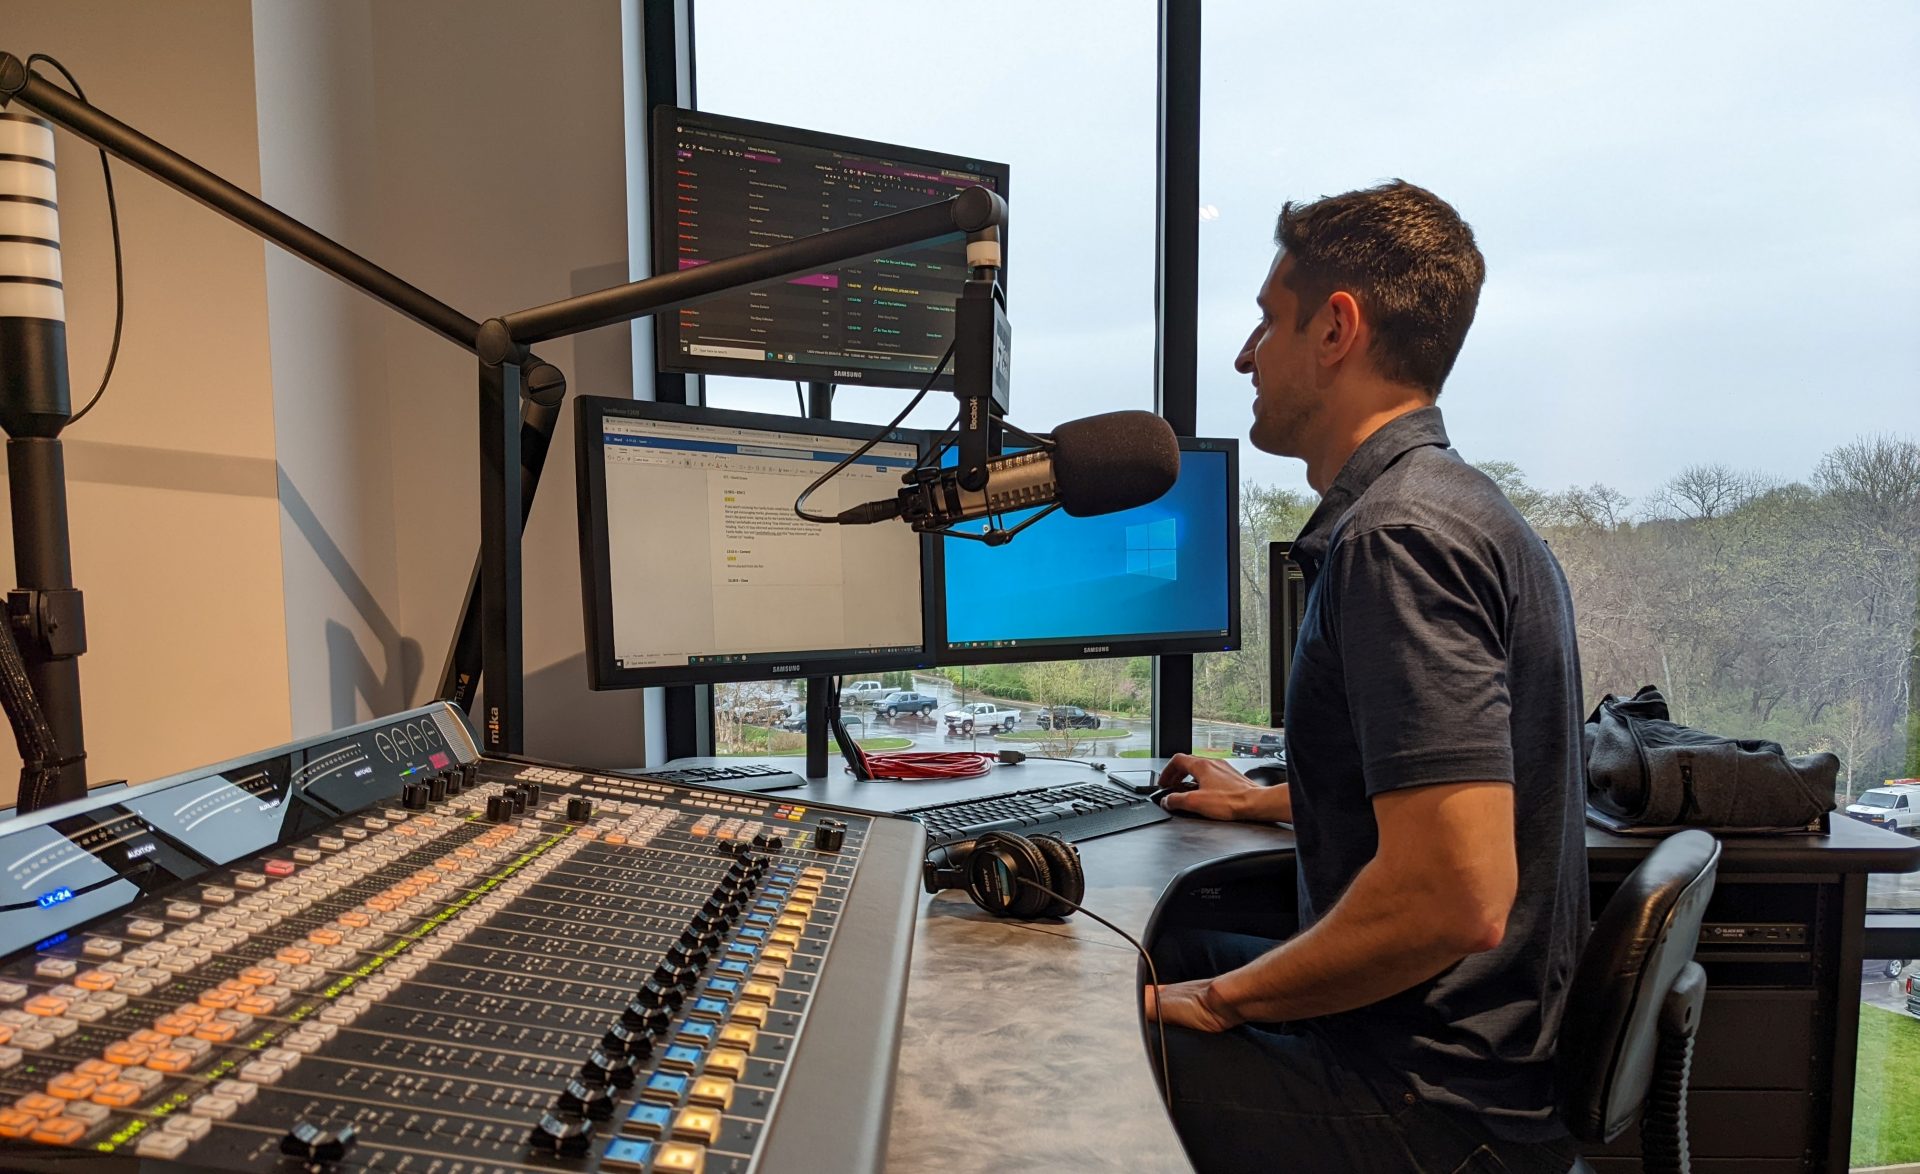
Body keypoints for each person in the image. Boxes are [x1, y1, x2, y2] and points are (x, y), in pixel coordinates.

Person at [1142, 181, 1588, 1173]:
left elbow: (1454, 895)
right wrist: (1261, 803)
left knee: (1075, 1038)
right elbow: (1445, 797)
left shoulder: (1397, 537)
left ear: (1337, 328)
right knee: (1134, 964)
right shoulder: (1461, 506)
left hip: (1422, 1108)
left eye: (1267, 320)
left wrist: (1219, 1001)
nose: (1244, 355)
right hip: (1474, 1072)